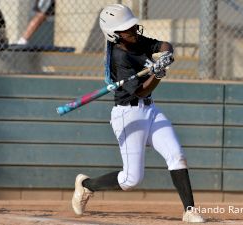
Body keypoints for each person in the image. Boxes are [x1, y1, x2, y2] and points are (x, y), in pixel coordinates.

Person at [71, 4, 205, 223]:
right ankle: (86, 185)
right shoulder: (119, 57)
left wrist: (166, 54)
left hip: (150, 111)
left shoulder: (134, 39)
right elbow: (141, 91)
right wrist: (158, 74)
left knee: (177, 155)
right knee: (131, 180)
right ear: (115, 35)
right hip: (128, 115)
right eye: (127, 29)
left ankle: (189, 210)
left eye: (133, 26)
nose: (134, 31)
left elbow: (163, 44)